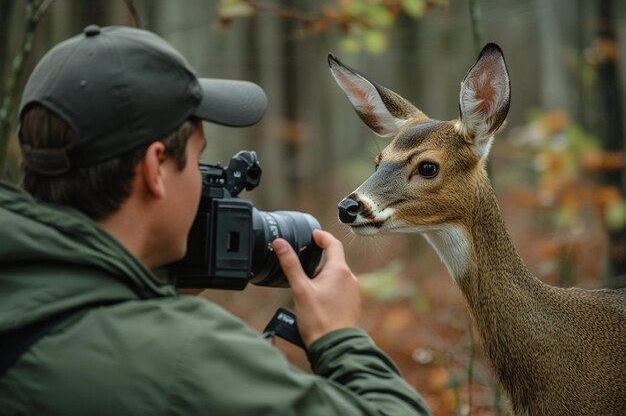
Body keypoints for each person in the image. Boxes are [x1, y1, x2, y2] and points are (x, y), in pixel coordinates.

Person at [0, 25, 431, 416]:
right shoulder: (183, 356)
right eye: (200, 157)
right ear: (155, 169)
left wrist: (143, 283)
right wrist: (339, 337)